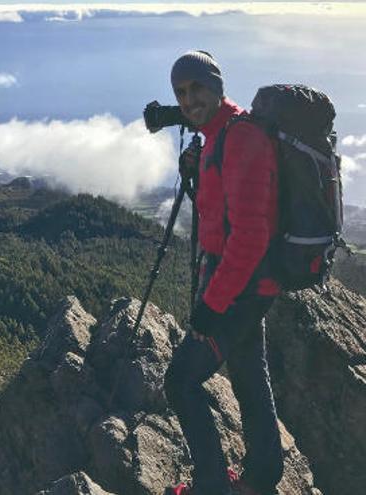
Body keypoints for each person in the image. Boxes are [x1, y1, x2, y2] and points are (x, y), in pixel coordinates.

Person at [162, 51, 284, 495]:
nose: (189, 99)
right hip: (247, 285)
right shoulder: (218, 135)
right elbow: (223, 217)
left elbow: (250, 237)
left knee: (180, 381)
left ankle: (212, 486)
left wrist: (211, 307)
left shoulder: (241, 137)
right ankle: (262, 478)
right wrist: (199, 171)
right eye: (181, 92)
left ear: (216, 86)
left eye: (196, 88)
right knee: (251, 375)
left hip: (240, 289)